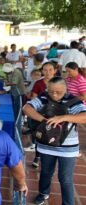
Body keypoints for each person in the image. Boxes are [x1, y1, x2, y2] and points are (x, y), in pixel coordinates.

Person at [23, 77, 86, 205]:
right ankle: (43, 193)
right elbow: (26, 108)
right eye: (51, 91)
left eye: (58, 92)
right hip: (46, 144)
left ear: (66, 89)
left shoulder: (73, 100)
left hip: (68, 147)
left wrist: (63, 117)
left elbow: (84, 117)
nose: (54, 95)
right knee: (46, 171)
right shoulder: (44, 97)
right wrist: (43, 120)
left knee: (65, 178)